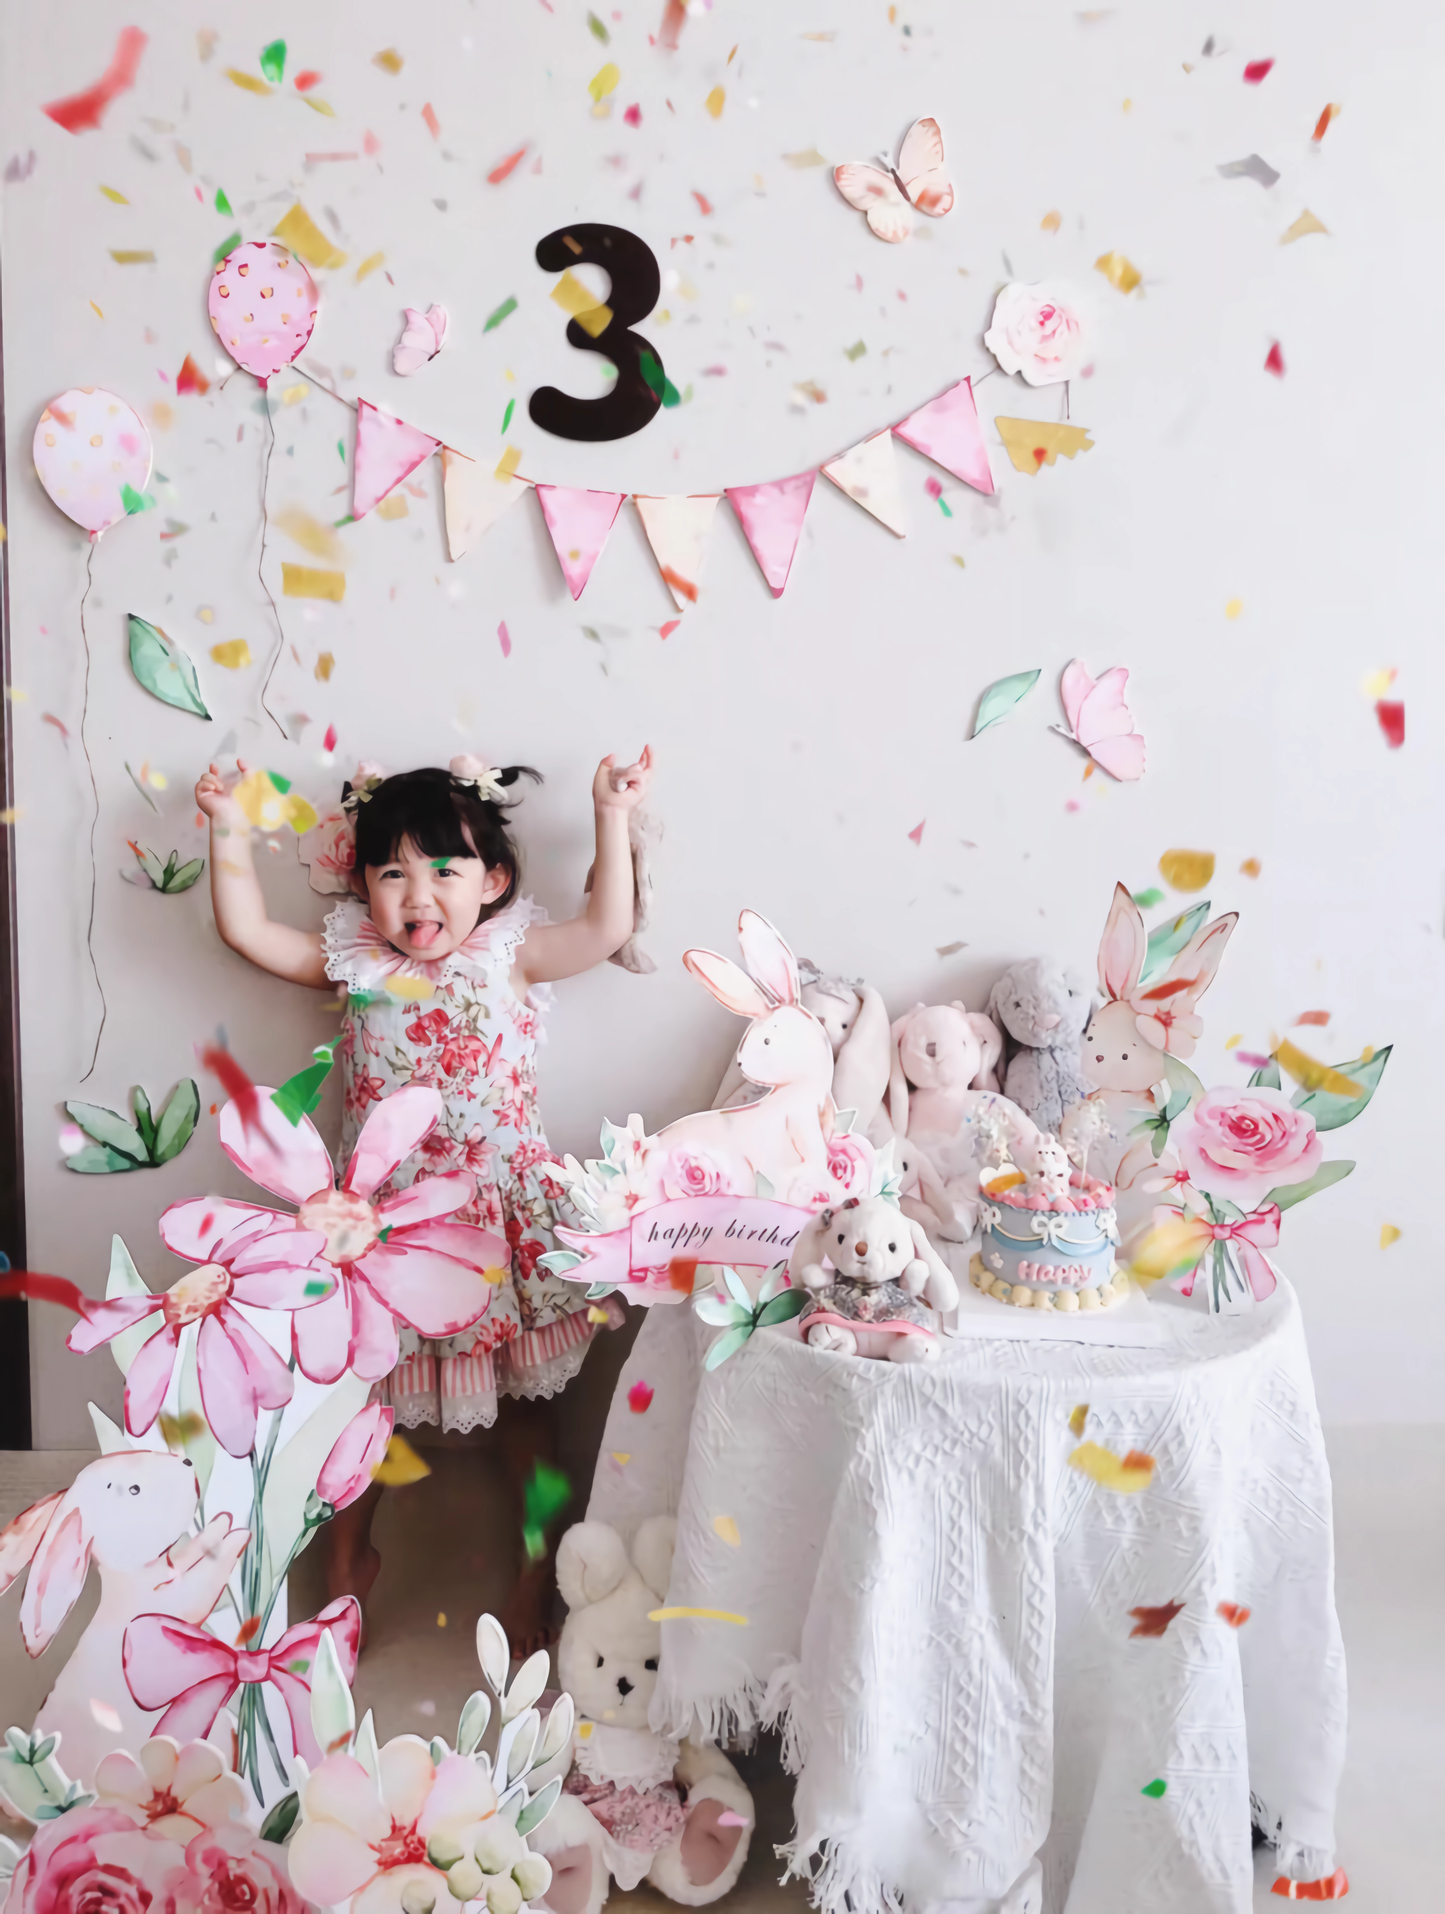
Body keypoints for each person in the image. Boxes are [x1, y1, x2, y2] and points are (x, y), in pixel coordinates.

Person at [194, 746, 653, 1654]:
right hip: (383, 1228)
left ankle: (536, 1566)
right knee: (360, 1400)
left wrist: (611, 812)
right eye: (392, 872)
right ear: (361, 885)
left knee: (527, 1410)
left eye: (444, 870)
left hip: (497, 1221)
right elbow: (248, 932)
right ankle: (346, 1568)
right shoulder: (352, 962)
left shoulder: (512, 956)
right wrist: (226, 830)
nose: (418, 895)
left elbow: (607, 926)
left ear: (494, 880)